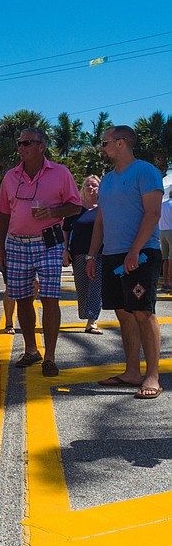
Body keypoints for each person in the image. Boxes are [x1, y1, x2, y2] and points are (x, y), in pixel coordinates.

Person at [0, 127, 82, 376]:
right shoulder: (11, 177)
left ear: (42, 147)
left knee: (50, 297)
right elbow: (3, 214)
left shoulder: (60, 173)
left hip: (49, 243)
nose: (21, 147)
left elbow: (75, 206)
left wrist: (53, 212)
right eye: (19, 143)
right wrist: (0, 248)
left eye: (27, 143)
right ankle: (31, 350)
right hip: (16, 243)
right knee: (22, 298)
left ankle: (50, 357)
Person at [88, 126, 164, 398]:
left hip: (142, 254)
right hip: (112, 255)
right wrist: (92, 254)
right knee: (123, 313)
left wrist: (134, 251)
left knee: (143, 312)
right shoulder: (107, 180)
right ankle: (132, 372)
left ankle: (152, 376)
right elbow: (101, 219)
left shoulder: (145, 171)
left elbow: (153, 214)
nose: (102, 148)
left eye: (105, 142)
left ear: (121, 143)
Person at [63, 175, 103, 334]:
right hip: (78, 253)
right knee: (82, 287)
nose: (90, 188)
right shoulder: (75, 208)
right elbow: (65, 230)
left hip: (100, 254)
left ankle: (92, 321)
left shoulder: (103, 208)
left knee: (96, 286)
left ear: (99, 189)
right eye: (87, 185)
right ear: (83, 189)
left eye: (94, 185)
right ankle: (86, 314)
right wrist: (65, 250)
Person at [158, 189, 172, 290]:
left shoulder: (163, 204)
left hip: (162, 231)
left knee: (165, 258)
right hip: (171, 231)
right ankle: (171, 282)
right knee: (171, 259)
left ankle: (166, 281)